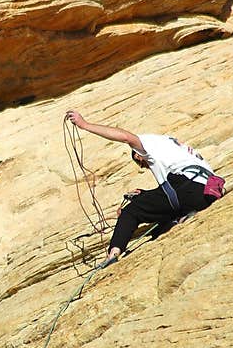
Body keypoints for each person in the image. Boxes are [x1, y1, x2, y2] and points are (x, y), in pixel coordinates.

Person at [65, 109, 222, 268]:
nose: (143, 167)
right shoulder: (175, 147)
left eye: (140, 163)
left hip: (187, 189)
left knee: (130, 212)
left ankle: (113, 254)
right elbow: (169, 191)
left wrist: (84, 125)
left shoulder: (148, 144)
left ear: (139, 155)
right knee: (158, 227)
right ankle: (183, 216)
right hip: (206, 192)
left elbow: (126, 137)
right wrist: (145, 194)